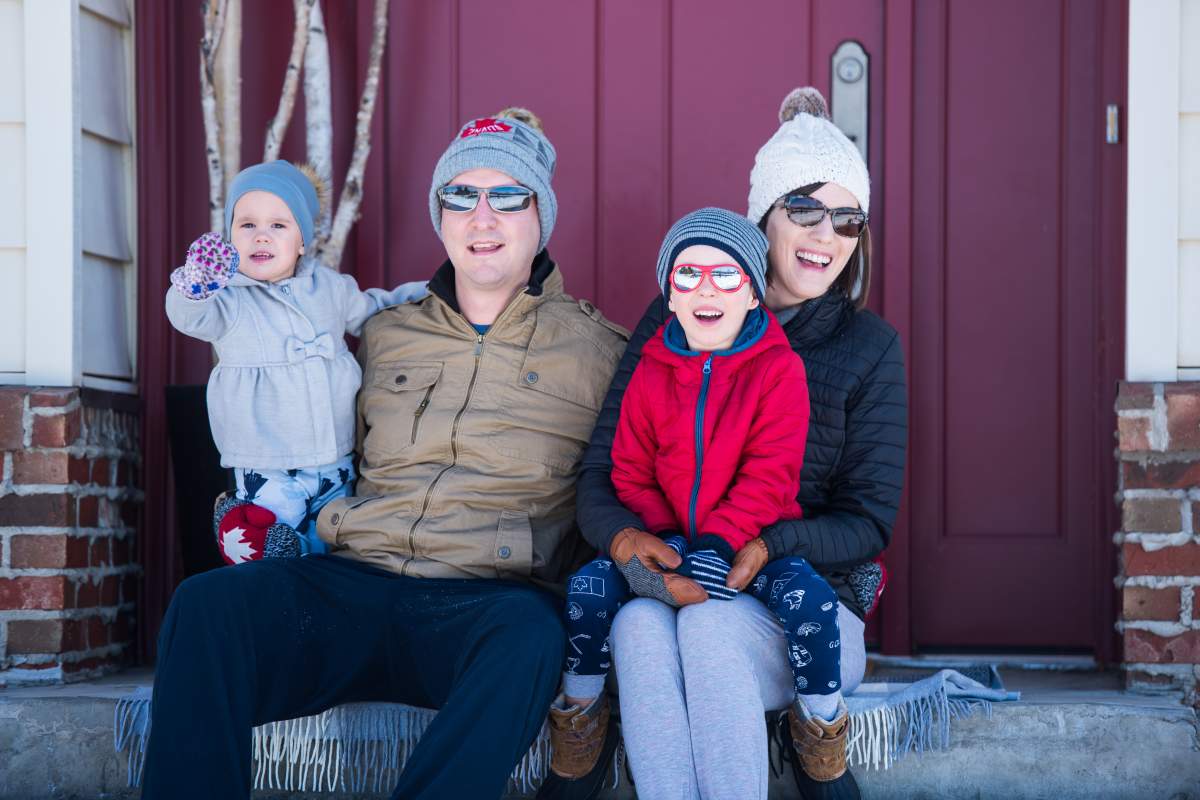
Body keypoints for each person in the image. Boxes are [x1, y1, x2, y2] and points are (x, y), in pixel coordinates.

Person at [142, 107, 628, 800]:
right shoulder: (384, 330)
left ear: (540, 216)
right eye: (461, 195)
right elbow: (279, 354)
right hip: (355, 582)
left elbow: (633, 478)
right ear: (441, 216)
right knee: (206, 607)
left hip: (485, 600)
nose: (481, 217)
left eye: (506, 196)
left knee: (531, 637)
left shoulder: (599, 352)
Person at [576, 87, 907, 800]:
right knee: (634, 627)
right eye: (805, 210)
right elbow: (604, 471)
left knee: (711, 632)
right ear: (764, 214)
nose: (826, 236)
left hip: (805, 615)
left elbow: (868, 521)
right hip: (676, 576)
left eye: (848, 219)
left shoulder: (868, 347)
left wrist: (766, 546)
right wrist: (633, 546)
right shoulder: (680, 316)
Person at [538, 207, 811, 800]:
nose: (705, 288)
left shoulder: (778, 370)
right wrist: (666, 538)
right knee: (606, 603)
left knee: (783, 605)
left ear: (754, 295)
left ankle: (822, 724)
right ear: (668, 292)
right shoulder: (653, 370)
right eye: (687, 275)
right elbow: (628, 470)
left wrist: (717, 542)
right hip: (670, 546)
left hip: (746, 548)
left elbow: (770, 475)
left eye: (726, 275)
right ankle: (579, 718)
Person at [164, 160, 427, 562]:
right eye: (247, 225)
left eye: (278, 226)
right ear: (230, 236)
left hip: (335, 457)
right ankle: (250, 536)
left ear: (303, 240)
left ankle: (288, 551)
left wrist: (427, 294)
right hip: (266, 462)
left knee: (332, 546)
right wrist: (195, 284)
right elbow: (188, 317)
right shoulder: (228, 300)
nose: (261, 237)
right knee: (274, 549)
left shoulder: (330, 288)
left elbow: (374, 310)